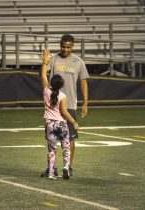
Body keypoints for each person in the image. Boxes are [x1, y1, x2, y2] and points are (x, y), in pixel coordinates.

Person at [41, 34, 89, 177]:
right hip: (54, 104)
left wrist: (85, 103)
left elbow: (83, 83)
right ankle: (52, 167)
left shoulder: (78, 62)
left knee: (71, 138)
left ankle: (69, 167)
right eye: (63, 46)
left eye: (68, 47)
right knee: (52, 139)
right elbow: (43, 75)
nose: (65, 49)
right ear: (60, 45)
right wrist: (44, 62)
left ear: (72, 46)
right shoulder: (53, 59)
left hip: (70, 104)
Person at [40, 48, 79, 179]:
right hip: (62, 125)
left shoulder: (46, 91)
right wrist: (73, 122)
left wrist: (45, 62)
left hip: (50, 124)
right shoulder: (62, 95)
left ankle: (51, 172)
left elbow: (43, 75)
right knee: (66, 147)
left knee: (51, 149)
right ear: (61, 85)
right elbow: (64, 112)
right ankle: (66, 167)